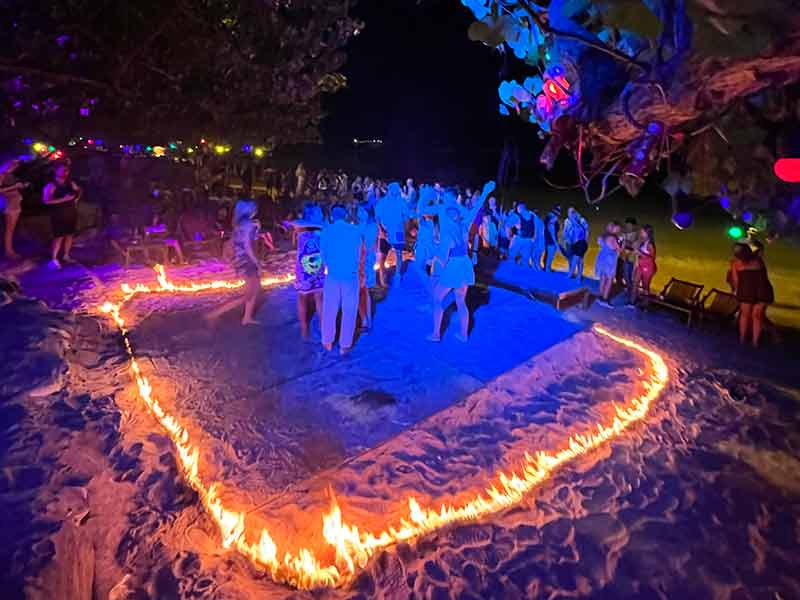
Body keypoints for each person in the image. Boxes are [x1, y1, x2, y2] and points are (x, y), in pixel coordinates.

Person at [428, 180, 495, 342]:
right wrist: (486, 192)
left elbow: (443, 259)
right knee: (461, 301)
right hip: (465, 265)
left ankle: (436, 334)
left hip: (453, 267)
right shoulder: (464, 226)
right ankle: (463, 335)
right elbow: (475, 209)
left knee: (437, 299)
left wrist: (433, 261)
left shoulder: (446, 235)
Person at [206, 199, 262, 325]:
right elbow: (248, 245)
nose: (256, 209)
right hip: (247, 260)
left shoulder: (240, 223)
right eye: (255, 207)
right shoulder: (249, 224)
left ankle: (247, 318)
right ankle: (214, 314)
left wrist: (257, 229)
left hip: (240, 259)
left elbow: (239, 241)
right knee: (250, 292)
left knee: (254, 289)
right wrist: (256, 262)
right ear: (250, 210)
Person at [320, 204, 363, 354]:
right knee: (349, 309)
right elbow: (359, 254)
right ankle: (345, 344)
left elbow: (323, 254)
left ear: (332, 216)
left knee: (329, 308)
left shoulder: (326, 231)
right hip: (350, 274)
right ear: (346, 216)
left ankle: (327, 341)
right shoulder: (355, 231)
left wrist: (329, 266)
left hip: (333, 274)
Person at [730, 242, 774, 347]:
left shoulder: (736, 264)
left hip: (746, 291)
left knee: (745, 316)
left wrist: (736, 291)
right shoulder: (758, 261)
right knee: (757, 316)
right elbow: (764, 277)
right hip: (762, 291)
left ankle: (742, 339)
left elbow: (736, 280)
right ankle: (755, 342)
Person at [292, 204, 325, 339]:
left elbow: (295, 246)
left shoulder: (300, 232)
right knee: (319, 298)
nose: (322, 215)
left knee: (302, 298)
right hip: (318, 266)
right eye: (319, 213)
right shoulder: (322, 232)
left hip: (303, 269)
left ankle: (304, 330)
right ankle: (323, 329)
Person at [42, 164, 82, 269]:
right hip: (58, 214)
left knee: (69, 234)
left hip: (71, 212)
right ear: (56, 171)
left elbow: (79, 190)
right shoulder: (51, 185)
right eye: (63, 170)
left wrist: (76, 199)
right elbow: (46, 201)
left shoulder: (70, 183)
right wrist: (64, 200)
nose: (65, 172)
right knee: (58, 236)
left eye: (67, 170)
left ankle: (66, 255)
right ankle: (54, 258)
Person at [375, 182, 410, 287]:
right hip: (389, 232)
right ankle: (385, 277)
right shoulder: (385, 202)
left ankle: (392, 277)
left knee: (392, 255)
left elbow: (406, 217)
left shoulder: (396, 202)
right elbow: (406, 218)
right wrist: (381, 231)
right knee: (385, 255)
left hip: (394, 231)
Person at [0, 157, 28, 260]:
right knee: (9, 230)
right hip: (9, 205)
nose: (16, 166)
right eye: (14, 164)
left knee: (13, 229)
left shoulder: (10, 175)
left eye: (17, 164)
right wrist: (15, 186)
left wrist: (22, 186)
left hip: (15, 203)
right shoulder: (1, 175)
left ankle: (10, 249)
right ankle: (9, 251)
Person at [357, 203, 379, 330]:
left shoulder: (371, 227)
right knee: (363, 292)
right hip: (363, 261)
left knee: (364, 292)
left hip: (365, 261)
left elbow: (369, 246)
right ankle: (365, 319)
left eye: (361, 211)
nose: (359, 214)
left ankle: (366, 320)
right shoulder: (364, 226)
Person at [629, 224, 656, 305]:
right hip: (641, 265)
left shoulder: (650, 244)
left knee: (645, 286)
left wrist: (640, 252)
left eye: (642, 232)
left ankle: (645, 303)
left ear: (647, 233)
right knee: (635, 283)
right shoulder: (642, 242)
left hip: (648, 267)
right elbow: (638, 253)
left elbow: (652, 258)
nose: (640, 233)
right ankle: (632, 302)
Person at [594, 230, 620, 307]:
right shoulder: (612, 238)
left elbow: (599, 242)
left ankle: (600, 296)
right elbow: (617, 249)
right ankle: (604, 299)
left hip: (602, 260)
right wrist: (622, 244)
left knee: (603, 278)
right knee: (609, 279)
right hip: (610, 261)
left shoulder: (603, 237)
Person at [563, 207, 589, 280]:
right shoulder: (567, 221)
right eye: (568, 212)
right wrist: (563, 239)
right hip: (570, 243)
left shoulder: (581, 220)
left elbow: (586, 231)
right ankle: (573, 275)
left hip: (580, 243)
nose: (569, 214)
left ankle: (577, 276)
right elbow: (565, 231)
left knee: (578, 260)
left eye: (572, 212)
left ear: (576, 212)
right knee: (571, 259)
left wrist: (586, 242)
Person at [509, 202, 536, 267]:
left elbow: (509, 226)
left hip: (519, 238)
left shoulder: (518, 216)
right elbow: (536, 228)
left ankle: (511, 272)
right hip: (529, 240)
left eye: (518, 208)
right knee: (525, 259)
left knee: (511, 255)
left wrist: (509, 237)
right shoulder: (532, 216)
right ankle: (523, 274)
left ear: (520, 208)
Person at [543, 205, 561, 271]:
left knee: (548, 256)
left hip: (547, 241)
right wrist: (557, 246)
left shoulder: (548, 219)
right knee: (550, 257)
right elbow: (553, 237)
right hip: (551, 242)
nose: (558, 217)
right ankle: (547, 271)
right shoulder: (551, 224)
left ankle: (547, 269)